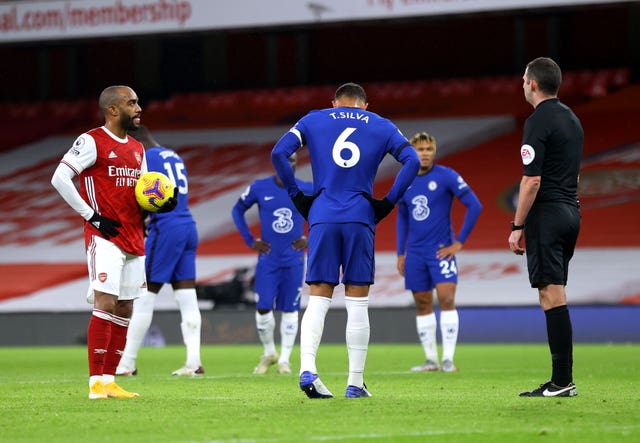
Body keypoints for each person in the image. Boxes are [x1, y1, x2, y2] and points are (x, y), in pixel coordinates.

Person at [271, 82, 420, 399]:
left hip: (322, 214)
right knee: (357, 301)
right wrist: (389, 201)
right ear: (364, 105)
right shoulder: (381, 124)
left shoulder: (314, 119)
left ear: (334, 103)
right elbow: (413, 162)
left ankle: (307, 369)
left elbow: (279, 152)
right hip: (359, 215)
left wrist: (298, 196)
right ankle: (355, 383)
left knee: (318, 297)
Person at [50, 86, 176, 399]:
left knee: (125, 307)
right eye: (132, 103)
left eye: (138, 102)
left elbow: (143, 193)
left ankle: (110, 380)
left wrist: (162, 203)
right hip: (104, 235)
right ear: (113, 109)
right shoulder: (91, 141)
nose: (139, 108)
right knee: (105, 301)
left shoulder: (137, 148)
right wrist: (91, 216)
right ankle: (95, 383)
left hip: (134, 237)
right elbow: (59, 178)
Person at [508, 57, 583, 397]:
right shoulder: (572, 119)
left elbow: (532, 180)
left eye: (524, 80)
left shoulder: (538, 121)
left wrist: (517, 225)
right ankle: (561, 381)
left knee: (551, 296)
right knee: (555, 293)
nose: (523, 85)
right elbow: (575, 173)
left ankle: (562, 382)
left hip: (548, 214)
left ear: (533, 84)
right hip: (571, 211)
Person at [116, 125, 204, 377]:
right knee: (187, 298)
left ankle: (128, 363)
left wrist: (140, 220)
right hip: (188, 225)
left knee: (144, 295)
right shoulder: (173, 155)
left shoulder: (145, 157)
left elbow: (144, 195)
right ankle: (193, 362)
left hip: (165, 229)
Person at [396, 132, 482, 373]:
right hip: (414, 253)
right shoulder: (405, 179)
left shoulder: (447, 176)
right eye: (420, 149)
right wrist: (400, 253)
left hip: (441, 251)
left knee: (446, 299)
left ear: (434, 152)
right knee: (422, 304)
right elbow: (402, 217)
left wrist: (459, 242)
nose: (425, 153)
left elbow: (475, 205)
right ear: (411, 152)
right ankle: (431, 360)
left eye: (428, 149)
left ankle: (448, 360)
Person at [231, 153, 312, 375]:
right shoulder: (259, 187)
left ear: (297, 164)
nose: (289, 164)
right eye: (285, 160)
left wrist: (311, 236)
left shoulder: (307, 188)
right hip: (268, 259)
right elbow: (237, 210)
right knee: (263, 306)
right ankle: (269, 352)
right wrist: (250, 240)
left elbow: (326, 212)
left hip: (294, 259)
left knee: (290, 309)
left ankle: (285, 359)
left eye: (293, 160)